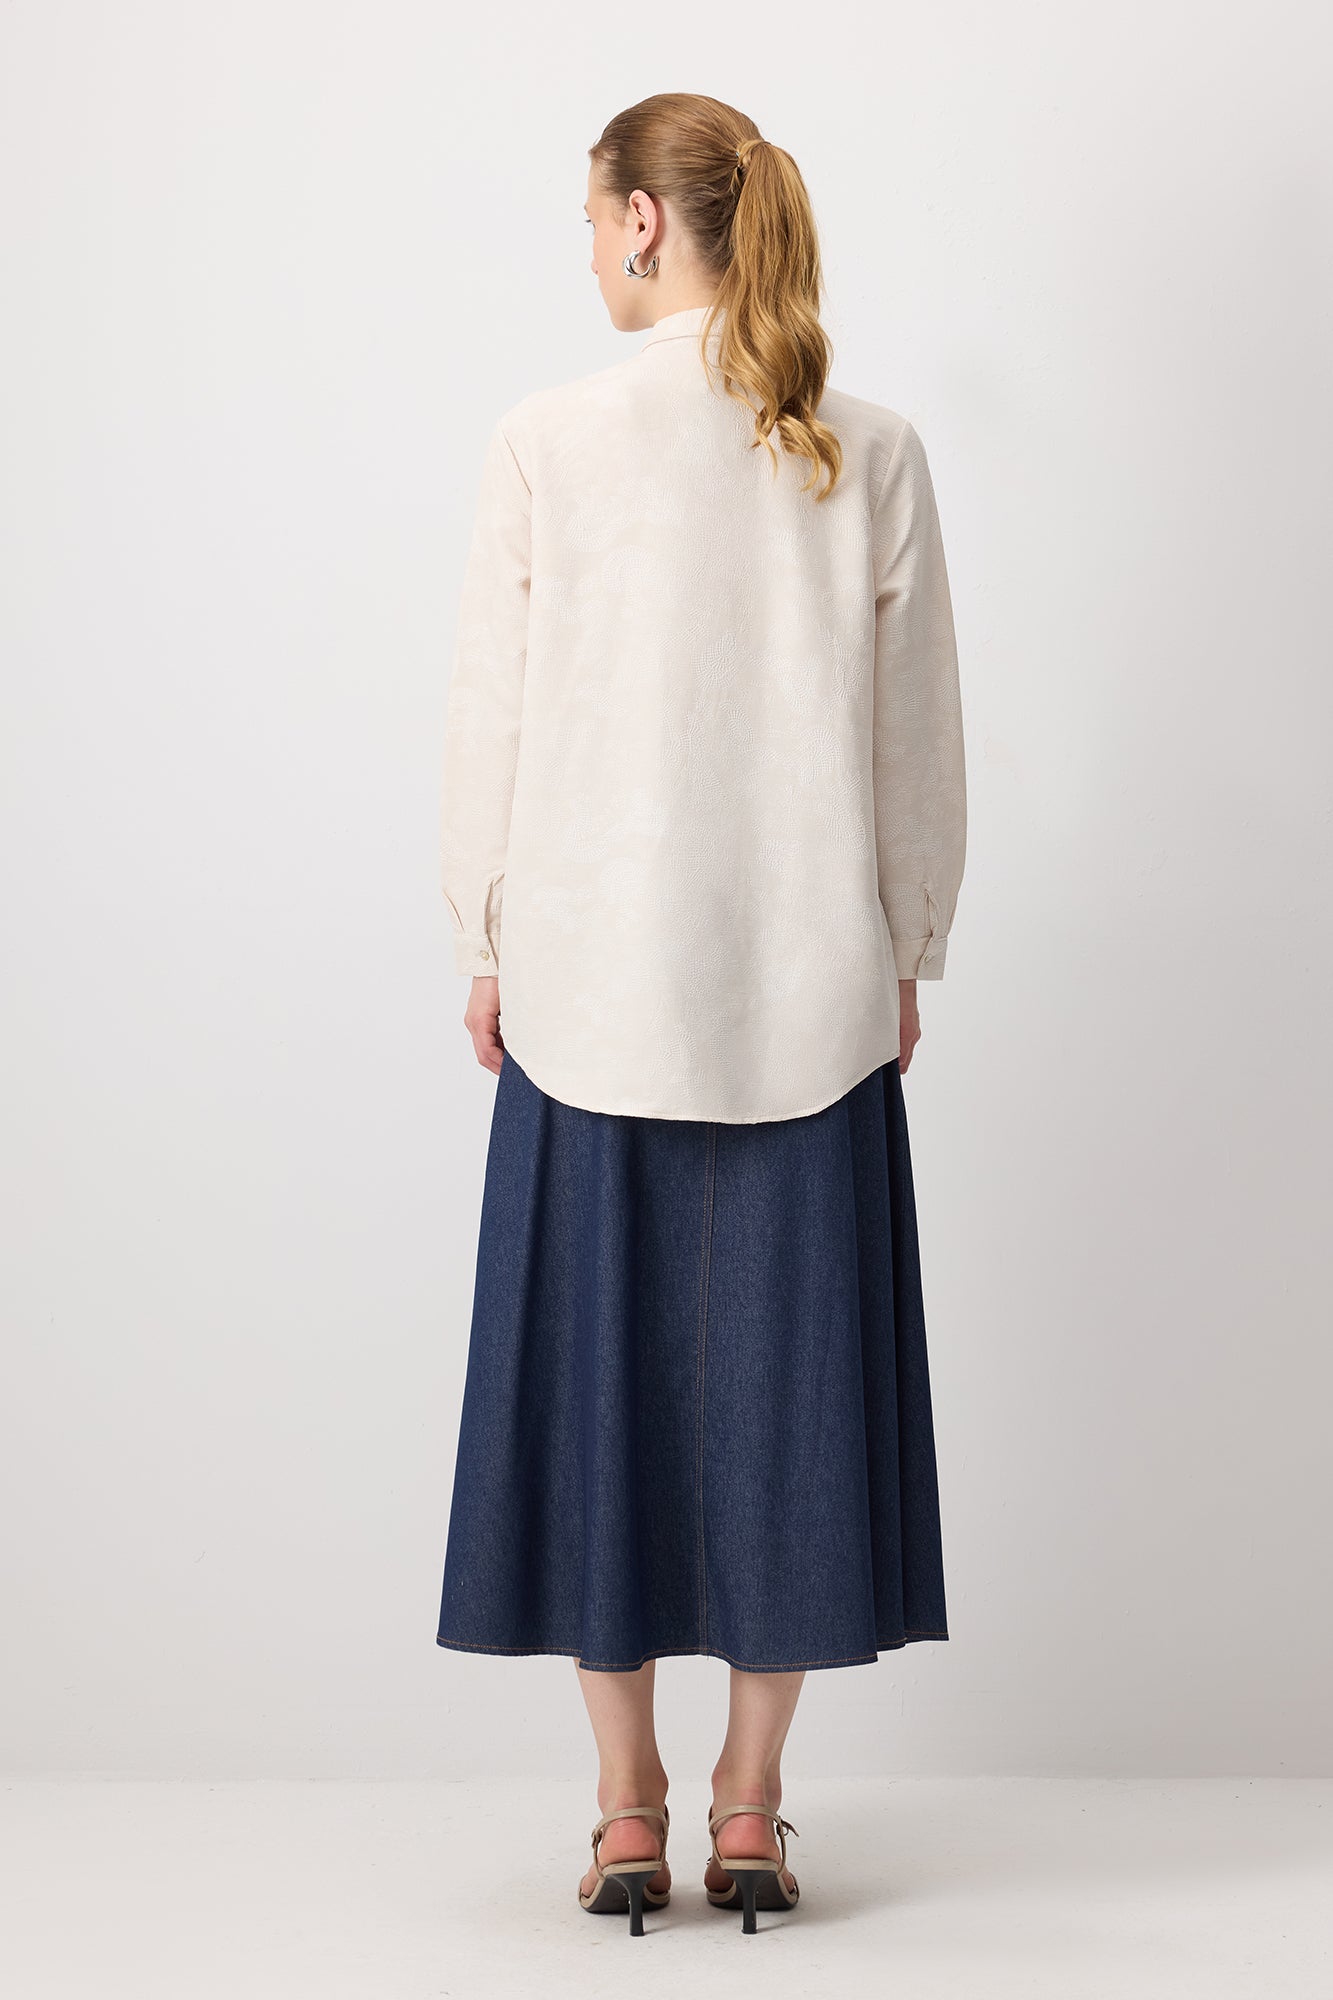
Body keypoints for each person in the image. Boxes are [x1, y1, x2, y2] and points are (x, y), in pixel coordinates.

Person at [433, 92, 967, 1938]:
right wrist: (905, 947)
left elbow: (493, 715)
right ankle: (750, 1805)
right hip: (809, 997)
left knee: (599, 1392)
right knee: (789, 1397)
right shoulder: (866, 446)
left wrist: (483, 934)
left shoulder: (547, 441)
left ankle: (624, 1809)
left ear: (646, 226)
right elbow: (915, 734)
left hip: (592, 989)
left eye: (592, 219)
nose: (588, 250)